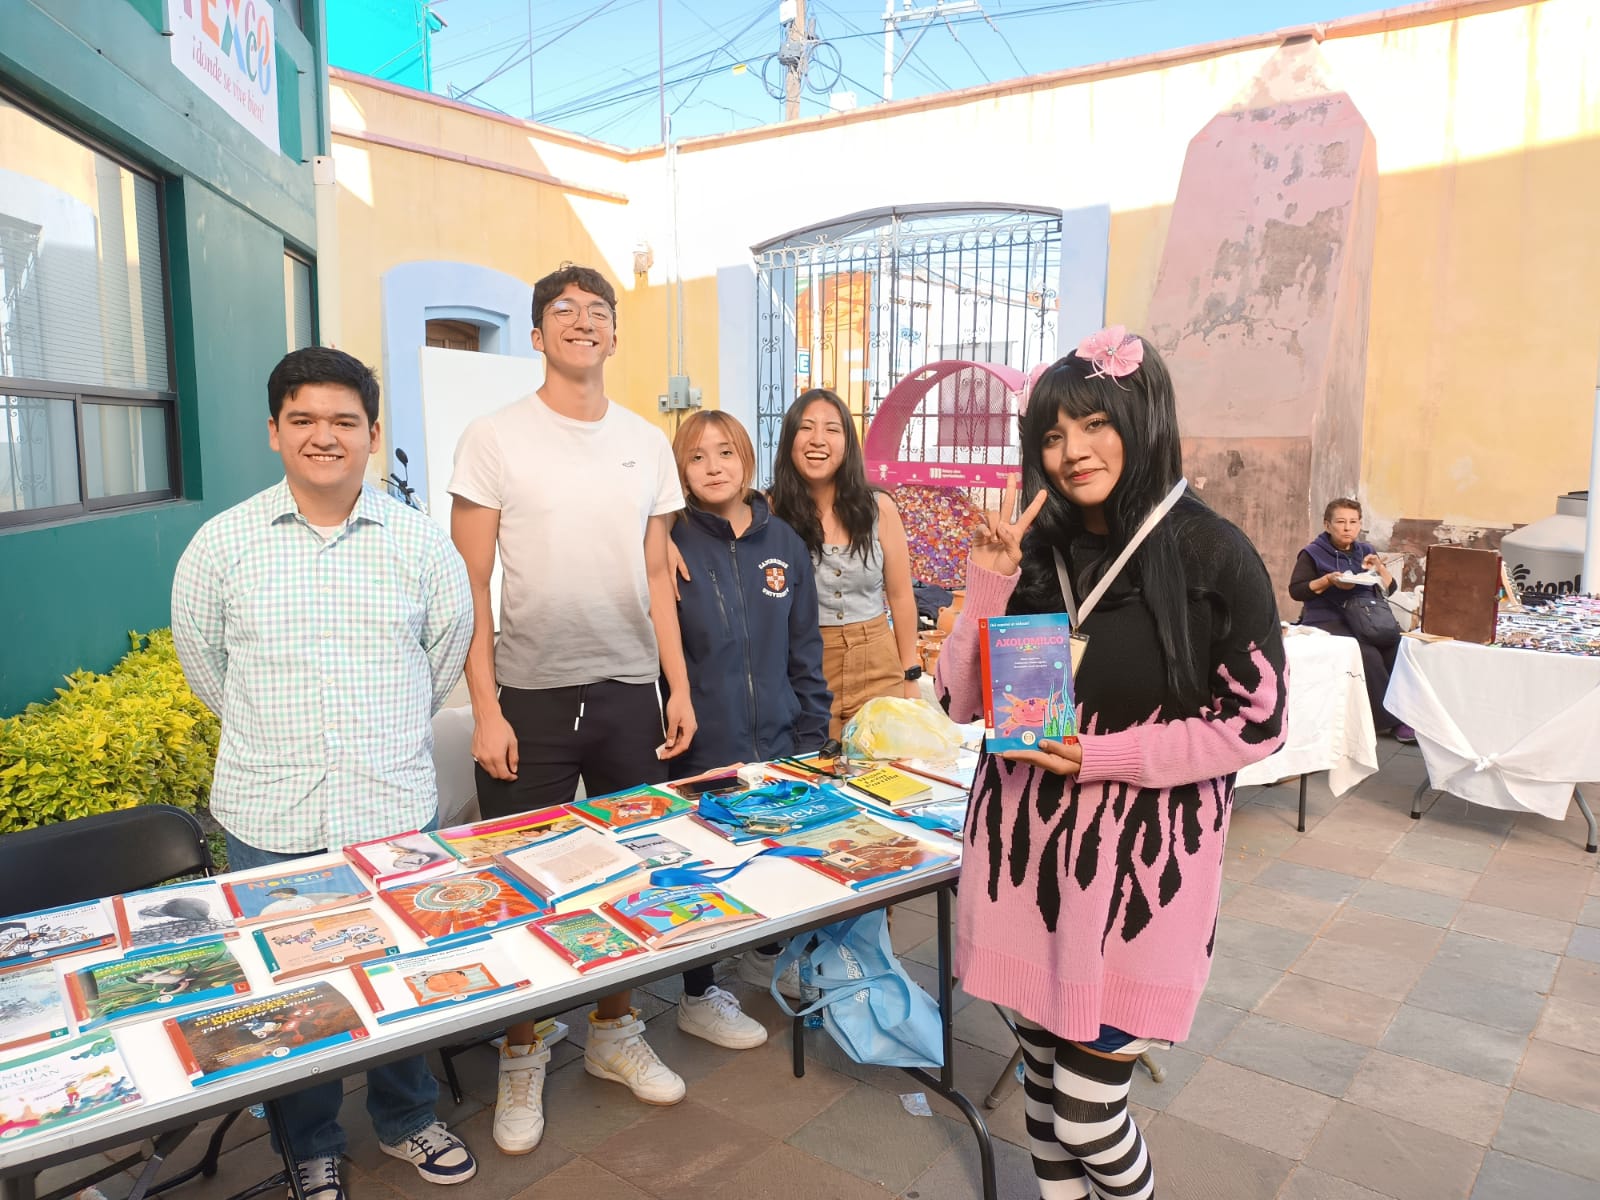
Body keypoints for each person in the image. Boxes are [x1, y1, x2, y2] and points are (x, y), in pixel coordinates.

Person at [934, 328, 1287, 1200]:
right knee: (1046, 1104)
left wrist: (1106, 756)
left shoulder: (1212, 555)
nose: (1070, 452)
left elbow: (1258, 728)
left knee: (1092, 1114)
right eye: (1051, 436)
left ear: (1141, 416)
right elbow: (959, 703)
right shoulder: (1036, 548)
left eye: (1093, 424)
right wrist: (986, 582)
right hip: (1023, 865)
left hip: (1139, 880)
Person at [171, 347, 477, 1200]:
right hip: (269, 815)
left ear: (372, 435)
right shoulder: (219, 545)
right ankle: (308, 1141)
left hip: (390, 807)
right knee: (292, 991)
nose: (323, 436)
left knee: (399, 970)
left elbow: (441, 657)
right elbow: (206, 668)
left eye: (344, 421)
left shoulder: (421, 546)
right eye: (302, 419)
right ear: (274, 431)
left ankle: (409, 1116)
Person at [448, 263, 697, 1156]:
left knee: (628, 870)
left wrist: (676, 685)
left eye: (598, 312)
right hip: (530, 696)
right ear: (537, 333)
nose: (583, 322)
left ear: (615, 334)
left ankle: (614, 1032)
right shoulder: (495, 437)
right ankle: (523, 1053)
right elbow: (468, 584)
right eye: (565, 311)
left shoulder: (646, 443)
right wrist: (485, 707)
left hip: (630, 689)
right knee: (528, 879)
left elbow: (658, 579)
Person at [668, 410, 833, 1007]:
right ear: (681, 470)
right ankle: (698, 991)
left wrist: (814, 729)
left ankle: (765, 956)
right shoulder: (670, 539)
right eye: (697, 456)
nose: (713, 467)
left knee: (774, 855)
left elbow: (804, 645)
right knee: (704, 867)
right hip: (704, 741)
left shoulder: (784, 543)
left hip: (782, 738)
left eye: (726, 453)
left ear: (748, 460)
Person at [768, 388, 922, 740]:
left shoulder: (879, 507)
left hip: (878, 662)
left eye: (832, 429)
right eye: (806, 428)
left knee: (883, 774)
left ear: (848, 443)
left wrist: (909, 674)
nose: (818, 440)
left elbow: (900, 597)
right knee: (816, 778)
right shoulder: (770, 511)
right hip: (805, 669)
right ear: (790, 440)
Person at [1289, 498, 1415, 742]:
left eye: (1353, 522)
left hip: (1366, 615)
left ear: (1359, 525)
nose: (1347, 528)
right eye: (1340, 522)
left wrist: (1378, 568)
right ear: (1327, 525)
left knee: (1397, 646)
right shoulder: (1312, 553)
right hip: (1328, 618)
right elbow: (1297, 590)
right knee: (1366, 654)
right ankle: (1390, 722)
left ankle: (1410, 714)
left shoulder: (1366, 551)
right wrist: (1328, 581)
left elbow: (1390, 588)